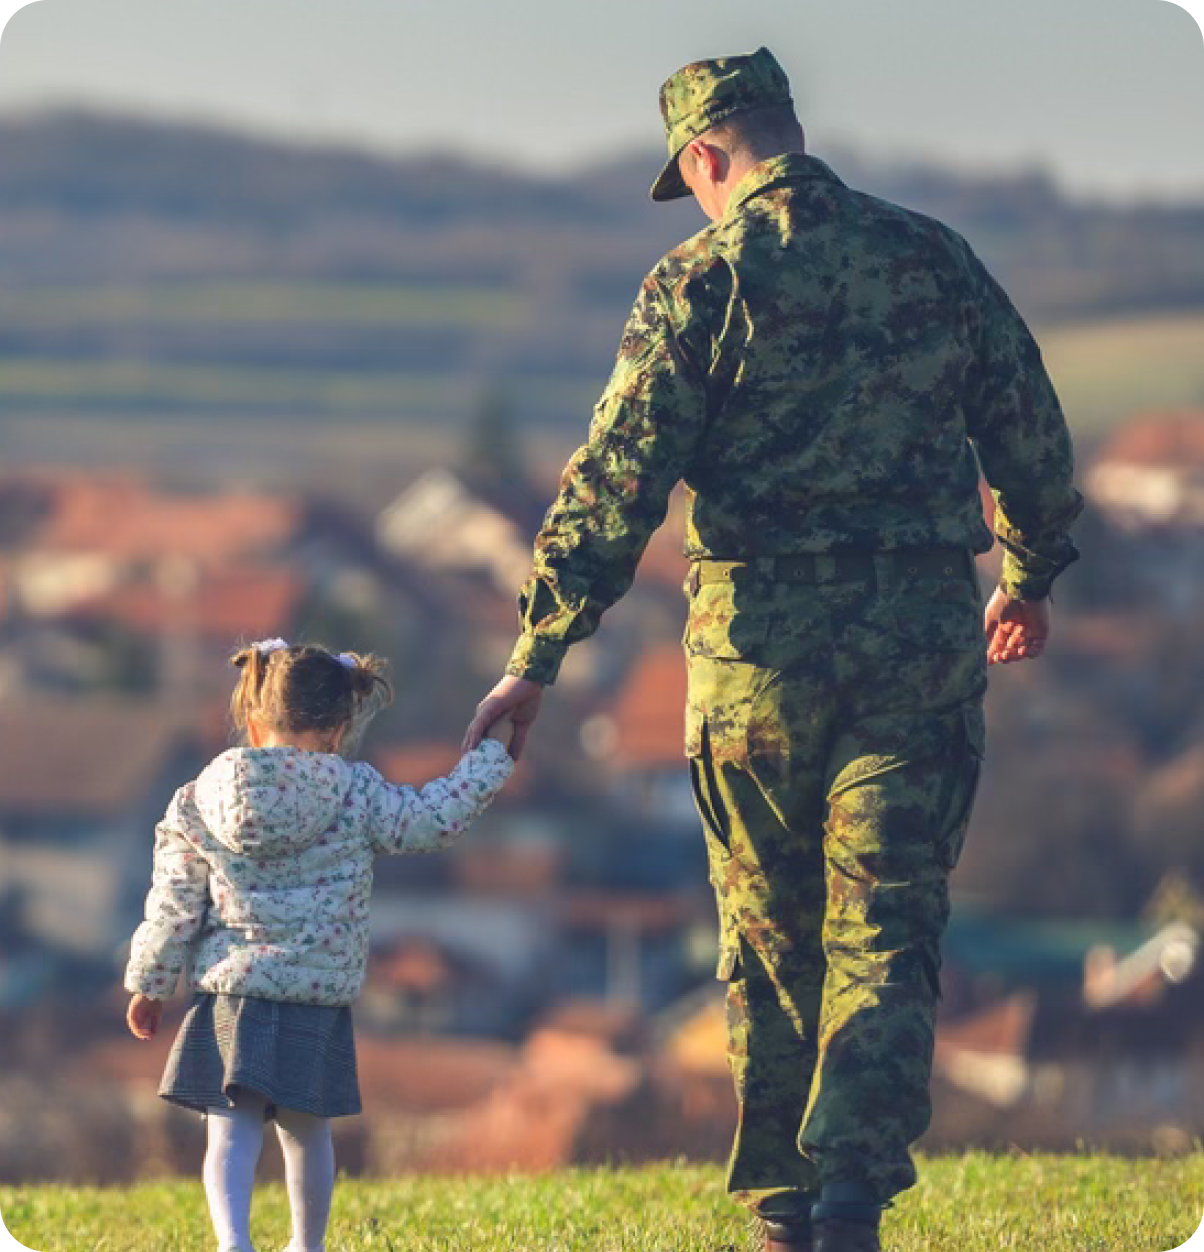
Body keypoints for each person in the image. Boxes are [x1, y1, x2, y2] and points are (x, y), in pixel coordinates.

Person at [464, 46, 1082, 1252]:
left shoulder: (699, 281)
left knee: (769, 938)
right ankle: (852, 1203)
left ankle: (783, 1218)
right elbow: (1032, 435)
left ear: (705, 156)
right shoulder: (928, 257)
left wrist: (536, 654)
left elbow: (614, 486)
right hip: (915, 644)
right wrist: (1028, 575)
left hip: (759, 666)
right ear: (786, 129)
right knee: (887, 925)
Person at [125, 639, 515, 1252]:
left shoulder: (197, 797)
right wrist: (489, 762)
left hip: (232, 990)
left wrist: (150, 982)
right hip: (314, 991)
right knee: (307, 1133)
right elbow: (434, 819)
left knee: (228, 1129)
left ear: (254, 721)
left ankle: (234, 1243)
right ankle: (305, 1247)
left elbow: (173, 902)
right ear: (339, 729)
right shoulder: (357, 793)